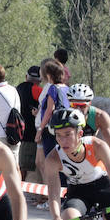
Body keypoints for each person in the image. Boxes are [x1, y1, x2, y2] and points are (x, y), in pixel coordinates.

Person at [66, 83, 110, 184]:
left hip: (90, 156)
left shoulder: (99, 116)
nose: (78, 109)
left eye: (82, 106)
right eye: (74, 105)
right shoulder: (63, 116)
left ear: (90, 103)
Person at [33, 58, 70, 210]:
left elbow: (49, 110)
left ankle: (55, 199)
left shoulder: (53, 89)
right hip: (64, 131)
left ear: (48, 75)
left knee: (52, 164)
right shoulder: (67, 89)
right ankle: (65, 198)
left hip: (51, 131)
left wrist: (40, 130)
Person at [15, 65, 43, 181]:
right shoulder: (37, 90)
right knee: (28, 167)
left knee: (21, 166)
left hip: (17, 130)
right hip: (31, 134)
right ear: (40, 80)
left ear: (26, 76)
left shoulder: (18, 88)